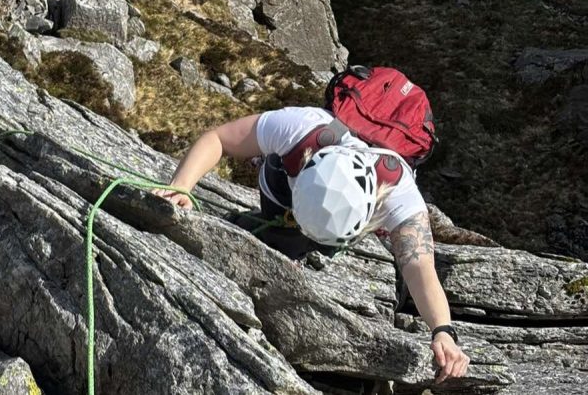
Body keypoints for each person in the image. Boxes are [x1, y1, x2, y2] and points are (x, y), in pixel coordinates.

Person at [155, 106, 470, 384]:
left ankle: (295, 246)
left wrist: (444, 331)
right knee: (280, 240)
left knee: (287, 251)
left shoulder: (400, 195)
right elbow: (218, 139)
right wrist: (180, 187)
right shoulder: (300, 128)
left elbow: (419, 268)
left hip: (329, 212)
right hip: (281, 188)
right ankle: (284, 237)